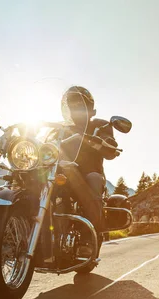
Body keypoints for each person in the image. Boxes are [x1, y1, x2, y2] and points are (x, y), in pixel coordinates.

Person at [58, 86, 120, 256]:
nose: (74, 108)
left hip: (88, 173)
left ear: (89, 107)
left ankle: (88, 238)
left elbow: (110, 147)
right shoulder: (61, 128)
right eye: (72, 104)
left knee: (93, 179)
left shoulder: (100, 125)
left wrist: (106, 142)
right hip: (61, 173)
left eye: (79, 104)